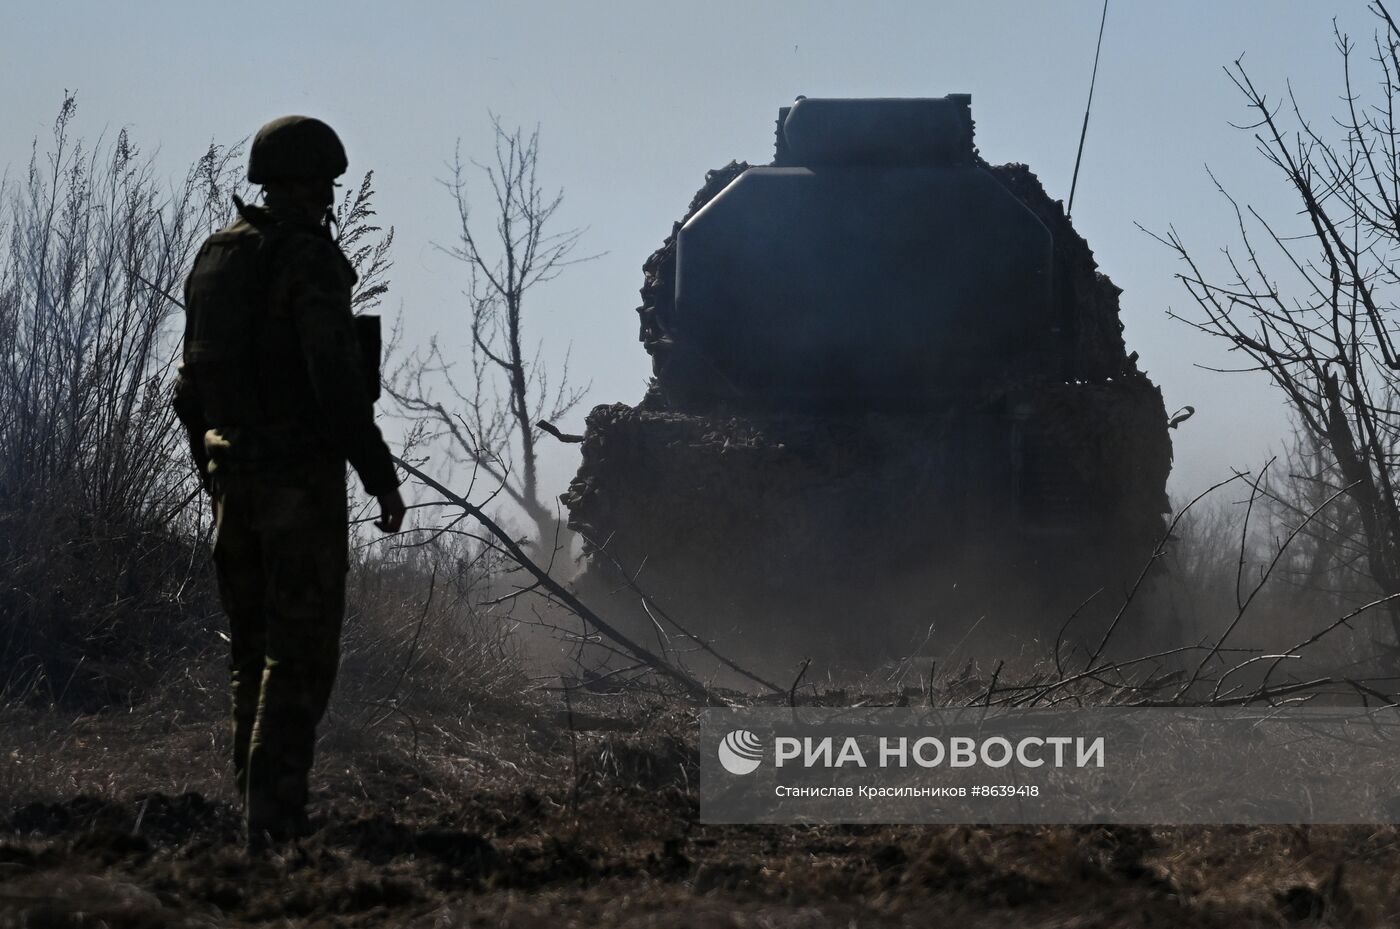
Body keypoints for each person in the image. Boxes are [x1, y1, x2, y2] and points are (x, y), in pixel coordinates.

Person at [171, 115, 406, 847]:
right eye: (326, 187)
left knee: (251, 650)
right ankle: (274, 819)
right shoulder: (306, 260)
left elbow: (188, 387)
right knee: (299, 655)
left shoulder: (216, 257)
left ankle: (256, 809)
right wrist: (380, 476)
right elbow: (336, 386)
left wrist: (210, 465)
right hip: (295, 483)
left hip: (230, 479)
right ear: (315, 185)